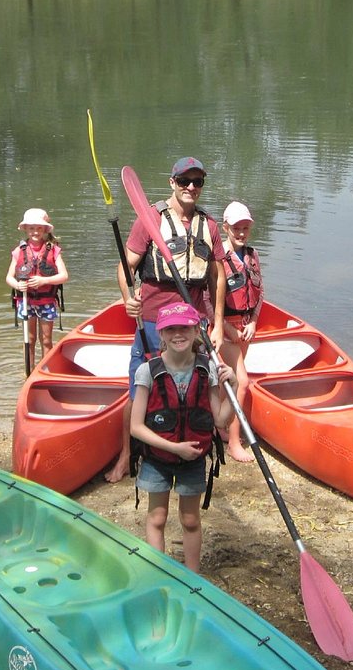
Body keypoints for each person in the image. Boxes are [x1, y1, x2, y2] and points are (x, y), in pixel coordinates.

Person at [104, 157, 229, 483]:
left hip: (193, 321)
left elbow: (217, 276)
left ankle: (193, 445)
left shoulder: (210, 226)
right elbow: (125, 266)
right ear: (172, 182)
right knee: (139, 385)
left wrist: (216, 324)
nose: (191, 187)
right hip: (153, 320)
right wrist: (128, 297)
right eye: (184, 180)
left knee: (198, 384)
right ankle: (125, 455)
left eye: (197, 181)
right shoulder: (149, 220)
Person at [130, 302, 236, 572]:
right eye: (171, 329)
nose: (179, 334)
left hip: (193, 458)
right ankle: (159, 573)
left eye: (185, 328)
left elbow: (221, 420)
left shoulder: (207, 370)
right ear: (162, 335)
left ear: (195, 332)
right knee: (158, 517)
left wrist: (234, 388)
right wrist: (174, 447)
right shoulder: (147, 371)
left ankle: (193, 576)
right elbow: (136, 427)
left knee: (190, 519)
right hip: (158, 457)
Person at [218, 201, 263, 463]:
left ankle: (221, 427)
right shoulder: (218, 258)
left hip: (245, 327)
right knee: (241, 382)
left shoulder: (252, 255)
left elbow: (260, 293)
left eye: (245, 227)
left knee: (228, 381)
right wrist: (225, 327)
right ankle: (234, 442)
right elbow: (208, 300)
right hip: (224, 330)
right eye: (236, 228)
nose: (241, 233)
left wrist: (253, 322)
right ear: (226, 227)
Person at [4, 208, 69, 363]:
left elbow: (64, 276)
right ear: (26, 229)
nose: (35, 232)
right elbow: (9, 277)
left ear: (45, 229)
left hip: (46, 302)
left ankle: (45, 370)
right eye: (31, 228)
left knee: (46, 340)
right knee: (30, 340)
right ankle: (29, 372)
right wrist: (18, 286)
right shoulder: (18, 251)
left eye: (39, 228)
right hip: (26, 302)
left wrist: (43, 281)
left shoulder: (54, 250)